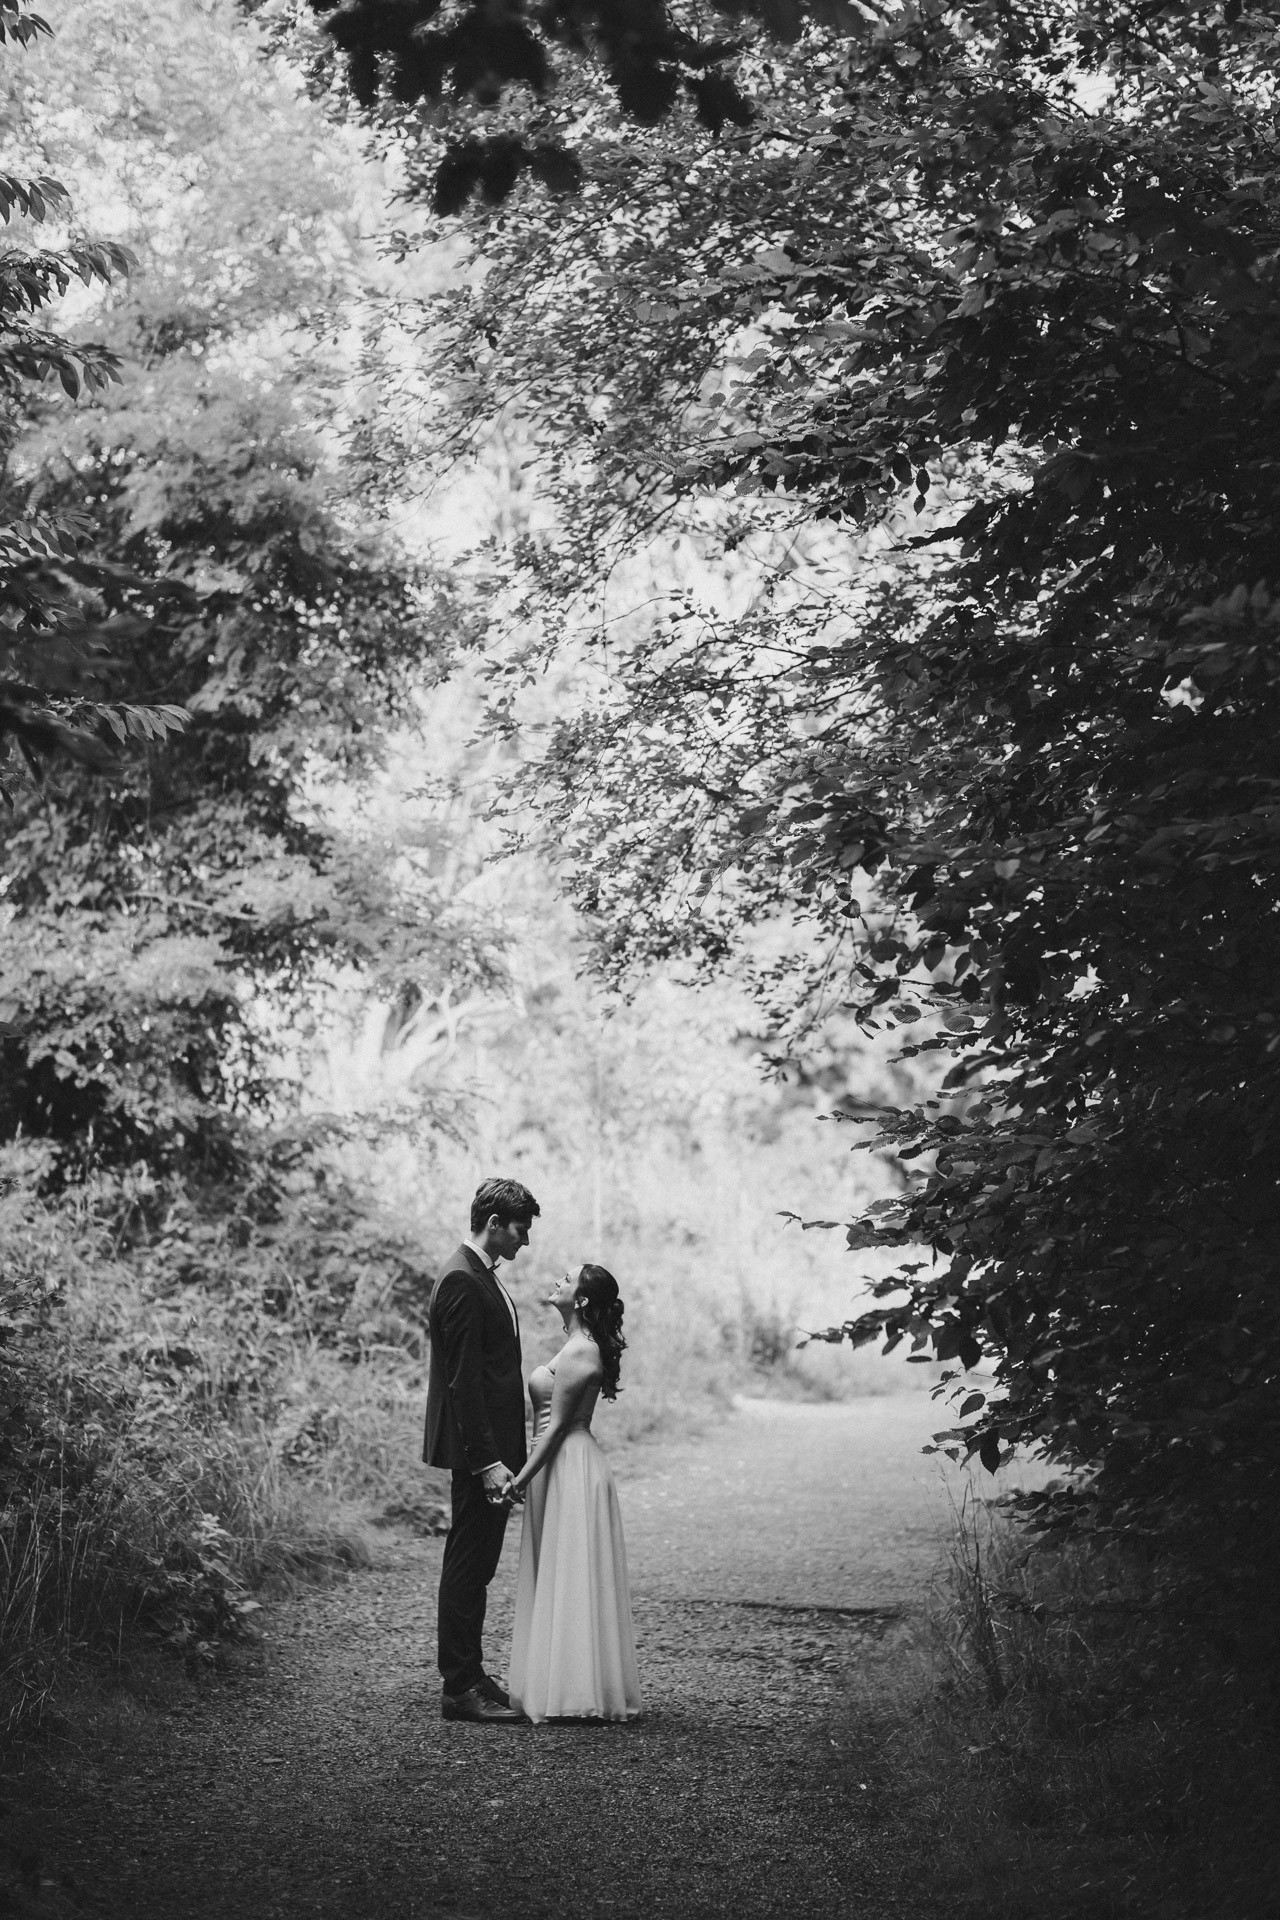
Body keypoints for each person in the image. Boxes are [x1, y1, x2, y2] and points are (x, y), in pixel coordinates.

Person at [423, 1177, 539, 1724]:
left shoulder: (477, 1275)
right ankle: (459, 1686)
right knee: (469, 1565)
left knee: (478, 1564)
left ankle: (471, 1671)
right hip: (480, 1453)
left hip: (490, 1449)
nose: (525, 1240)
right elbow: (463, 1384)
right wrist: (488, 1462)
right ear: (494, 1224)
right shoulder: (461, 1281)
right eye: (521, 1228)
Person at [505, 1264, 642, 1724]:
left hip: (570, 1466)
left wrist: (518, 1480)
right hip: (557, 1465)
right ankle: (561, 1681)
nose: (557, 1281)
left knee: (573, 1571)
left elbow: (558, 1426)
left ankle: (576, 1690)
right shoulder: (573, 1345)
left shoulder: (583, 1351)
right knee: (561, 1569)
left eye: (567, 1279)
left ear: (581, 1300)